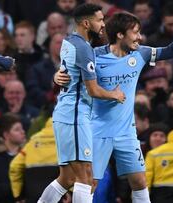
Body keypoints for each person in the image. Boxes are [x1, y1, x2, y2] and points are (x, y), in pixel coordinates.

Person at [54, 8, 173, 203]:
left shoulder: (141, 54)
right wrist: (57, 77)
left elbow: (170, 51)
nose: (139, 38)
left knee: (140, 181)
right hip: (97, 131)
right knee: (88, 183)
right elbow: (68, 75)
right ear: (120, 34)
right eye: (135, 32)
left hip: (126, 133)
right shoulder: (94, 55)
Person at [38, 4, 125, 203]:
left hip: (67, 113)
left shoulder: (69, 41)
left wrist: (56, 77)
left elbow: (68, 75)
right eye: (100, 20)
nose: (103, 24)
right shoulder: (83, 49)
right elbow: (93, 90)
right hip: (75, 116)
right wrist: (115, 95)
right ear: (86, 23)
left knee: (67, 177)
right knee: (85, 176)